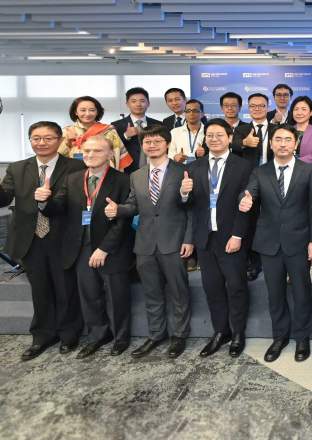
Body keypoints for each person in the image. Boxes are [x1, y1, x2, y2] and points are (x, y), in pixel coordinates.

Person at [0, 122, 86, 360]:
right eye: (36, 138)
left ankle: (69, 333)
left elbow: (81, 200)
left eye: (48, 138)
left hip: (63, 236)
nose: (42, 142)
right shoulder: (18, 168)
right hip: (30, 238)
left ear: (60, 140)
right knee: (40, 289)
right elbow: (3, 199)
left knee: (66, 288)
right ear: (30, 141)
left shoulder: (76, 166)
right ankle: (42, 336)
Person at [40, 135, 134, 358]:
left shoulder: (123, 180)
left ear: (110, 154)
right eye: (87, 151)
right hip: (81, 248)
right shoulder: (73, 179)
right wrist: (44, 200)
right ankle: (98, 336)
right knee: (90, 296)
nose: (91, 155)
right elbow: (56, 209)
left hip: (112, 248)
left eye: (97, 151)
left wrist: (104, 249)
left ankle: (121, 338)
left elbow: (124, 220)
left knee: (117, 297)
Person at [105, 124, 194, 359]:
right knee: (151, 292)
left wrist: (189, 239)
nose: (152, 145)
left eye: (157, 141)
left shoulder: (184, 171)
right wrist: (118, 210)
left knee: (179, 291)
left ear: (167, 144)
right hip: (145, 243)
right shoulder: (136, 175)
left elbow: (193, 209)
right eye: (147, 142)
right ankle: (156, 334)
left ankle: (179, 335)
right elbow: (134, 205)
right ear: (142, 145)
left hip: (174, 241)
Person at [239, 125, 312, 363]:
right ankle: (280, 337)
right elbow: (248, 193)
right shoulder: (260, 171)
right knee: (275, 294)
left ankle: (302, 338)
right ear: (271, 144)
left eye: (287, 139)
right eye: (278, 139)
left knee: (302, 293)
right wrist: (244, 200)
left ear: (296, 144)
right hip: (269, 242)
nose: (283, 144)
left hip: (299, 240)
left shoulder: (308, 171)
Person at [180, 120, 253, 358]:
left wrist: (237, 235)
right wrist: (184, 193)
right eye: (209, 135)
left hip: (231, 237)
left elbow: (247, 206)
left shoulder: (243, 166)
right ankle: (221, 331)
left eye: (219, 135)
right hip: (205, 238)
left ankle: (238, 332)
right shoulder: (194, 167)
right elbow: (190, 206)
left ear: (230, 137)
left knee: (236, 287)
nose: (214, 139)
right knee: (212, 288)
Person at [231, 92, 273, 281]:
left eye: (261, 105)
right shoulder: (242, 129)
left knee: (273, 218)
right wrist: (244, 143)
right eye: (253, 106)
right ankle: (254, 262)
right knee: (251, 220)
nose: (257, 109)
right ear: (248, 109)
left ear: (268, 107)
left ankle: (272, 258)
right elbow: (232, 145)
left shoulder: (277, 128)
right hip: (250, 179)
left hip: (273, 178)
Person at [59, 96, 132, 171]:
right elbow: (56, 159)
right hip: (73, 173)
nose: (87, 114)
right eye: (83, 110)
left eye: (92, 110)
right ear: (76, 112)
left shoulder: (109, 131)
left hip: (103, 173)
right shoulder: (66, 132)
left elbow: (116, 156)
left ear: (97, 112)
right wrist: (67, 142)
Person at [111, 87, 161, 174]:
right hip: (127, 171)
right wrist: (126, 136)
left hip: (154, 169)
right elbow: (112, 147)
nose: (138, 104)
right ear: (127, 104)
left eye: (142, 101)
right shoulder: (117, 125)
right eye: (134, 101)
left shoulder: (158, 124)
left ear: (148, 104)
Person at [169, 99, 206, 164]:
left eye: (195, 111)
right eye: (188, 111)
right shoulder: (175, 132)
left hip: (203, 168)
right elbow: (170, 154)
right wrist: (175, 157)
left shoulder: (209, 132)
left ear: (202, 114)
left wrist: (205, 154)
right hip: (181, 168)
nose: (191, 113)